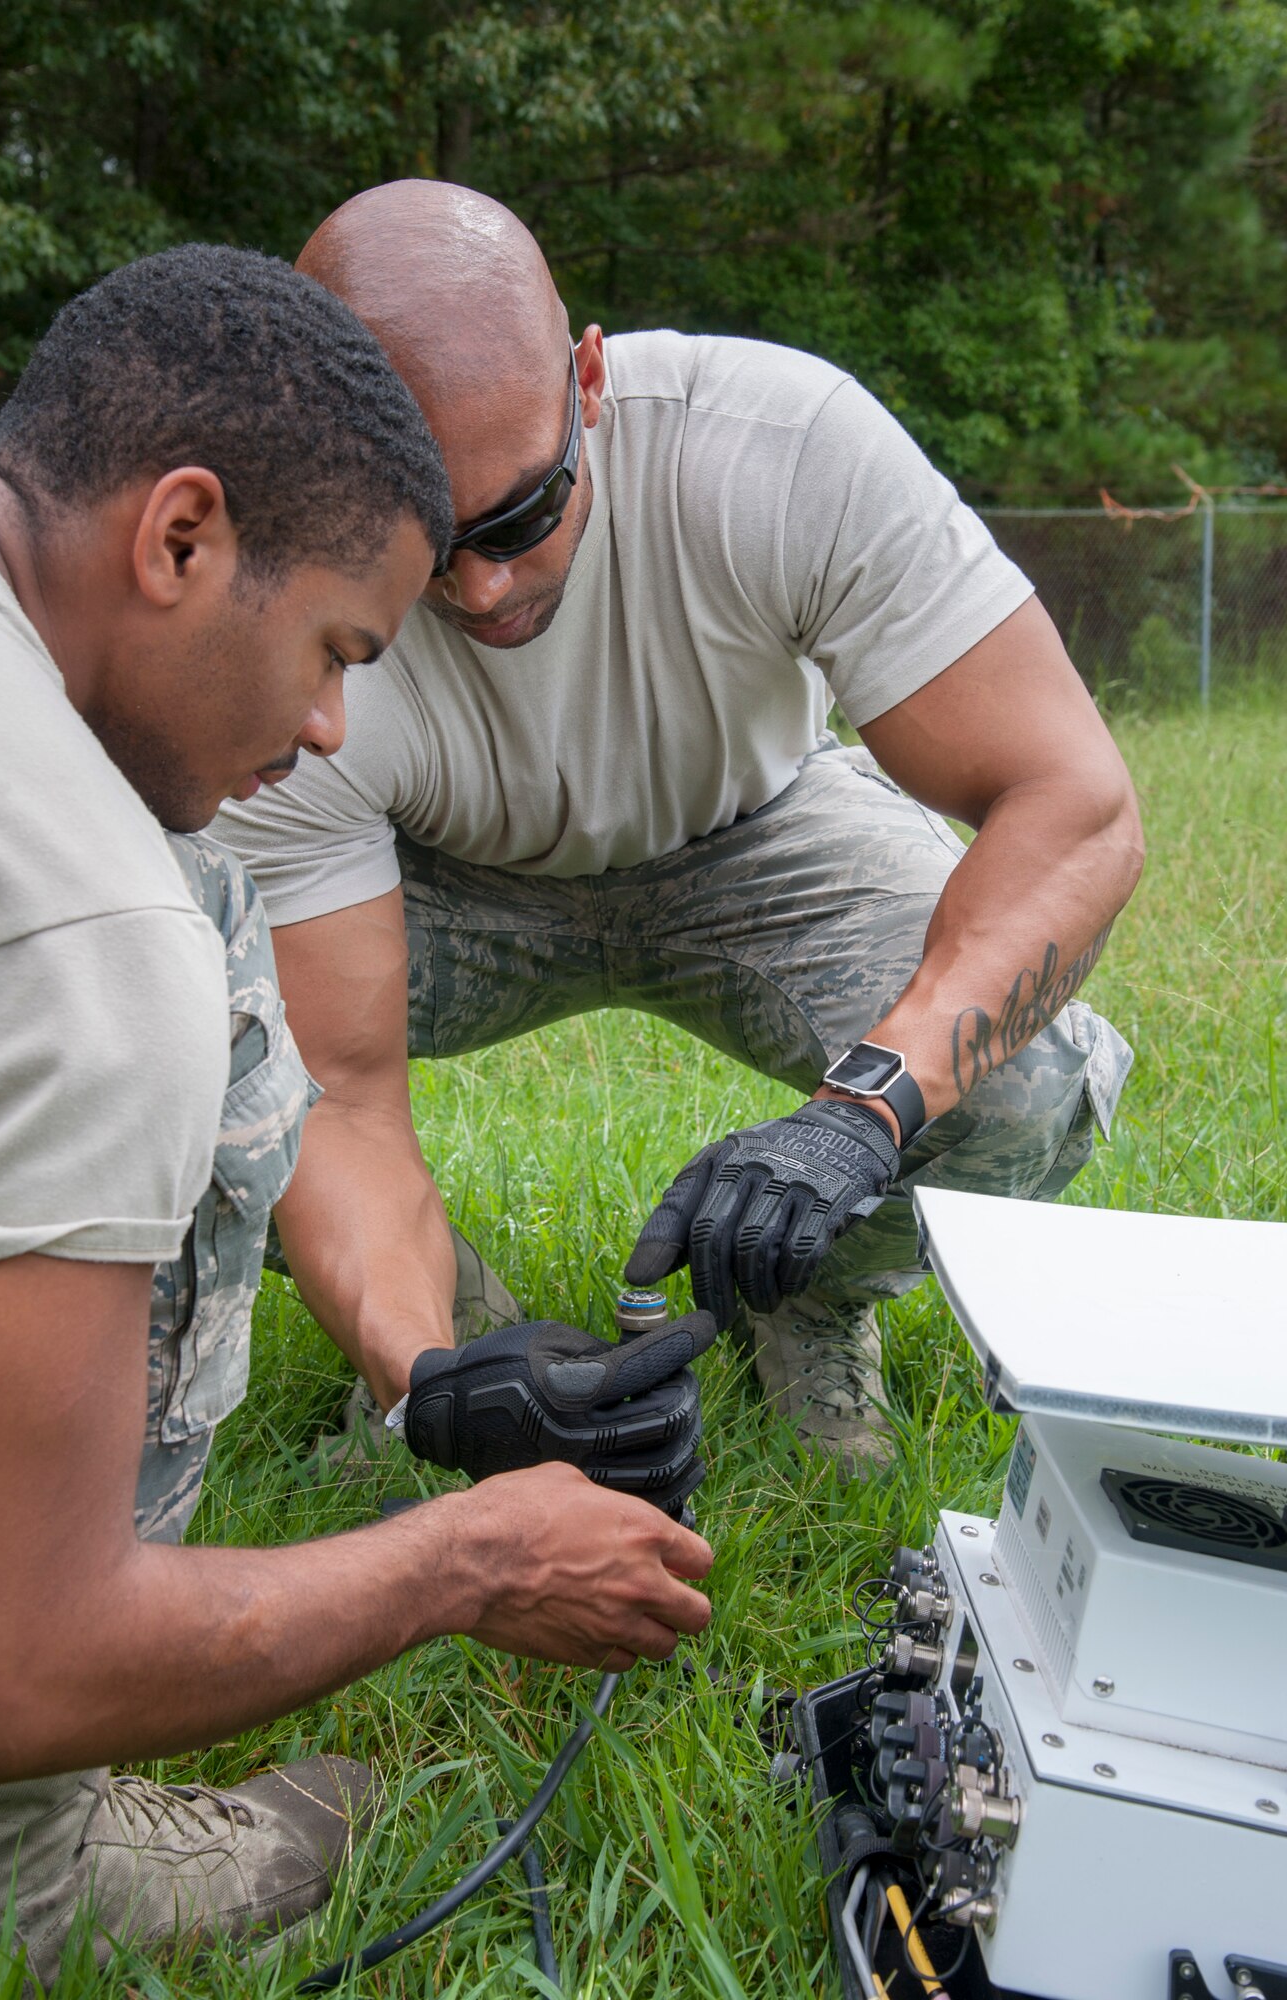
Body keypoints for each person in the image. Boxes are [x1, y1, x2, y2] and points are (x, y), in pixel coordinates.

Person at [0, 244, 714, 1993]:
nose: (325, 728)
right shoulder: (89, 933)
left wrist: (435, 1375)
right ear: (179, 539)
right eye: (334, 649)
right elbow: (9, 1652)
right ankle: (19, 1863)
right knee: (211, 962)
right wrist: (467, 1556)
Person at [213, 179, 1144, 1478]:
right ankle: (472, 1333)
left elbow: (1079, 808)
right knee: (184, 1054)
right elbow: (343, 1098)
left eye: (524, 514)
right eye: (422, 542)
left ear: (587, 379)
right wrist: (437, 1381)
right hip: (429, 884)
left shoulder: (779, 446)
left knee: (1023, 1087)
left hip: (753, 838)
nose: (481, 587)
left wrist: (861, 1118)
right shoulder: (268, 612)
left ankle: (807, 1295)